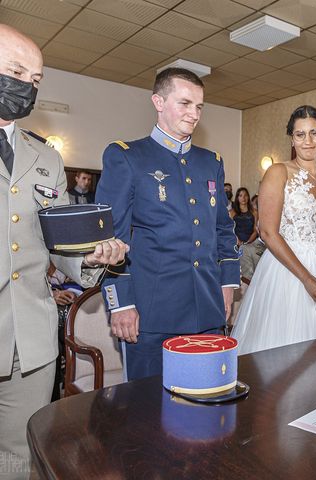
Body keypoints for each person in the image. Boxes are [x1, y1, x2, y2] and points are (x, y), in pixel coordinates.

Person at [0, 24, 127, 480]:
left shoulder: (46, 158)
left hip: (30, 341)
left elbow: (57, 243)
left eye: (35, 80)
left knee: (17, 456)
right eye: (16, 71)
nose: (26, 86)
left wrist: (90, 260)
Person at [96, 67, 240, 381]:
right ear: (158, 102)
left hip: (207, 307)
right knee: (147, 412)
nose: (194, 114)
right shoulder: (128, 157)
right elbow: (110, 238)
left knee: (207, 400)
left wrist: (228, 284)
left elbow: (222, 229)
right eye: (185, 103)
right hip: (151, 311)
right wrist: (120, 303)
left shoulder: (210, 162)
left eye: (199, 106)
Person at [231, 105, 316, 355]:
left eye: (314, 133)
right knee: (287, 355)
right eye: (300, 134)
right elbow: (268, 232)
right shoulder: (278, 172)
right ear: (292, 139)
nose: (308, 141)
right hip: (287, 273)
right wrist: (306, 278)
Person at [230, 187, 262, 279]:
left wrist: (247, 242)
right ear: (237, 198)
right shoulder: (232, 212)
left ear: (248, 197)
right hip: (236, 242)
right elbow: (230, 229)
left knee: (253, 269)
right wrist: (238, 241)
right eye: (240, 195)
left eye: (245, 195)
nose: (243, 198)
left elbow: (255, 230)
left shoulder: (254, 212)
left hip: (251, 242)